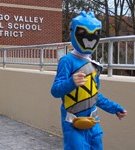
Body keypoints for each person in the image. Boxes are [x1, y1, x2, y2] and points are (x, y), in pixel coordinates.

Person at [51, 11, 127, 150]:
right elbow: (55, 91)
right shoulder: (67, 61)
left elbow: (94, 96)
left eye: (94, 34)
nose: (89, 38)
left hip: (93, 123)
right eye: (83, 33)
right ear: (74, 33)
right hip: (73, 123)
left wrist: (115, 108)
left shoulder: (94, 65)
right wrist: (71, 82)